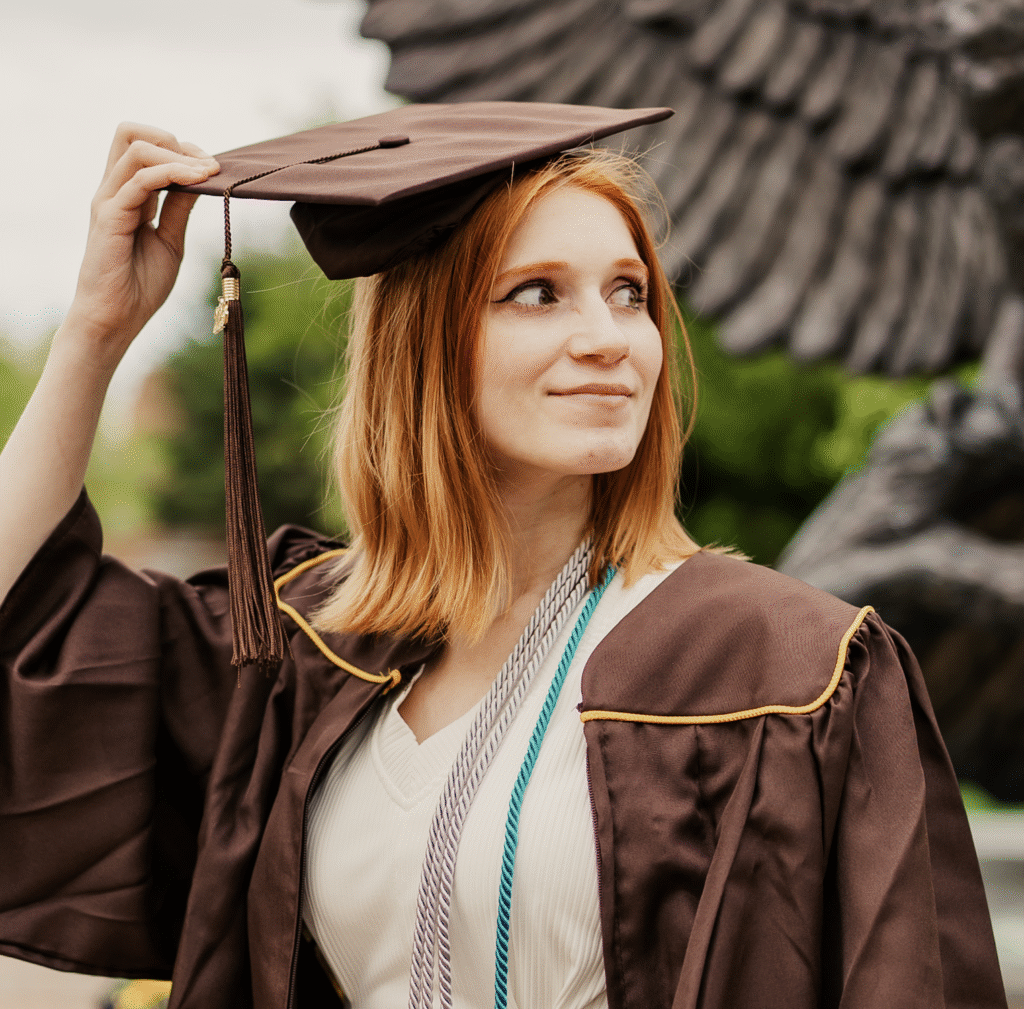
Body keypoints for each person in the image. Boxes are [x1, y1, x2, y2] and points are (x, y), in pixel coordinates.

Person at [0, 108, 1008, 1009]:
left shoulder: (787, 671)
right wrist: (94, 332)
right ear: (426, 344)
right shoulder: (310, 649)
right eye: (538, 294)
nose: (609, 338)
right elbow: (25, 630)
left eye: (627, 293)